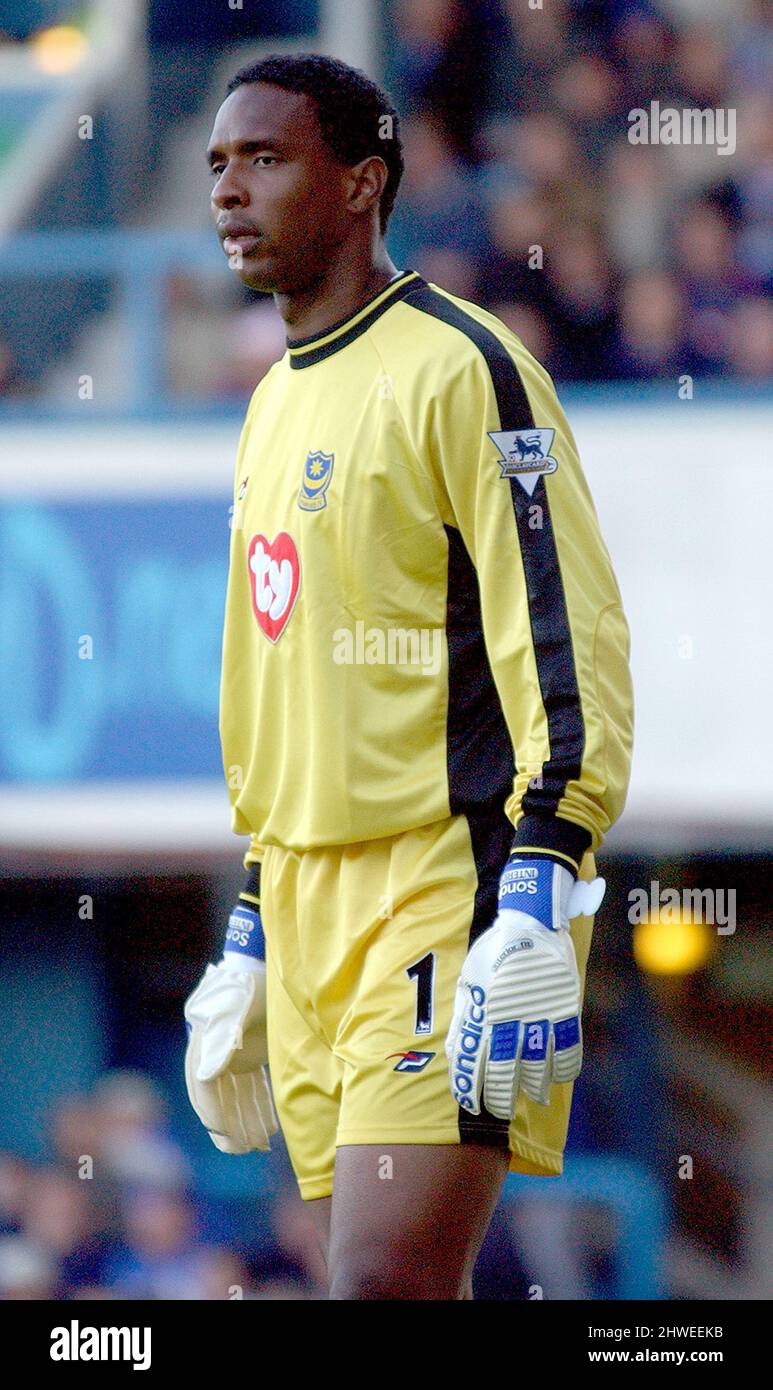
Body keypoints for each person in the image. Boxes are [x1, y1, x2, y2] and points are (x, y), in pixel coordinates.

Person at [183, 53, 634, 1301]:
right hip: (311, 914)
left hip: (444, 889)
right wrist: (254, 924)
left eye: (265, 159)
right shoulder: (270, 401)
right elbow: (281, 696)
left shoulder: (462, 367)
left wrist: (540, 880)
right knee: (360, 1289)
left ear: (362, 183)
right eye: (218, 163)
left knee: (384, 1283)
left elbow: (564, 639)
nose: (229, 189)